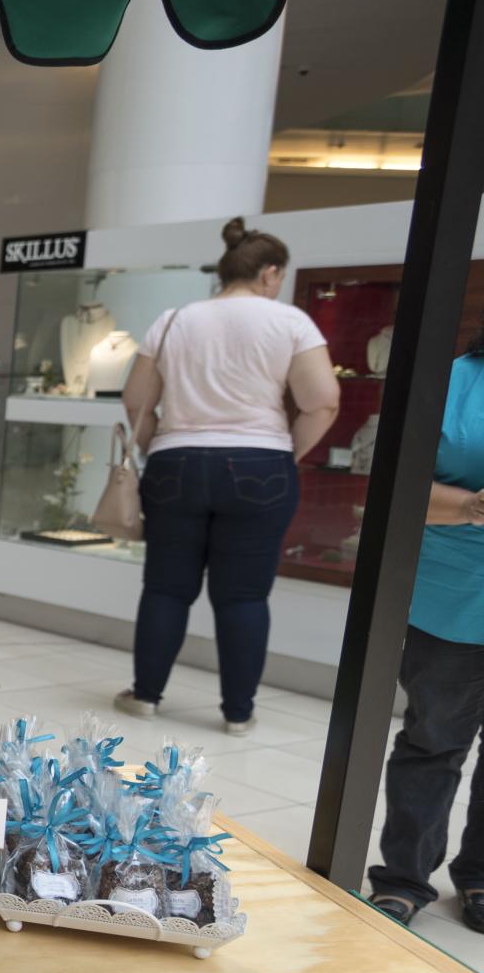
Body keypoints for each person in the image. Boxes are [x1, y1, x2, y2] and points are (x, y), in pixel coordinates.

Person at [115, 219, 340, 736]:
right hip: (261, 462)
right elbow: (323, 401)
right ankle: (237, 713)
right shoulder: (292, 323)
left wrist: (162, 448)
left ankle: (145, 696)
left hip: (176, 462)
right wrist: (287, 452)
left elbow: (136, 400)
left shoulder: (173, 320)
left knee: (167, 588)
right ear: (270, 272)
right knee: (243, 596)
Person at [366, 328, 484, 931]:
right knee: (434, 740)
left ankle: (481, 876)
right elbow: (397, 483)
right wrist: (470, 507)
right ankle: (405, 878)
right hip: (452, 599)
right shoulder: (451, 382)